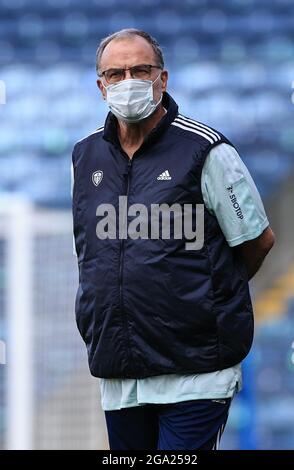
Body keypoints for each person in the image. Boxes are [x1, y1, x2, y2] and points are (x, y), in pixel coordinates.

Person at [71, 28, 275, 450]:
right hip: (120, 370)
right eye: (115, 73)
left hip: (195, 373)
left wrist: (203, 301)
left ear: (163, 79)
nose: (128, 82)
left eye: (140, 70)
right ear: (100, 86)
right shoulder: (85, 155)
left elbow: (257, 240)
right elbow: (92, 253)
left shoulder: (206, 150)